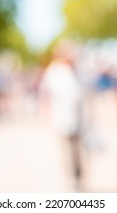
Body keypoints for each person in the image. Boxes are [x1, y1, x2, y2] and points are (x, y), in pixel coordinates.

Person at [39, 41, 84, 191]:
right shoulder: (55, 71)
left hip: (78, 117)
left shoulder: (77, 71)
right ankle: (72, 178)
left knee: (77, 149)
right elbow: (45, 94)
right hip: (62, 116)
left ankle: (78, 176)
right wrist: (46, 113)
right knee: (67, 148)